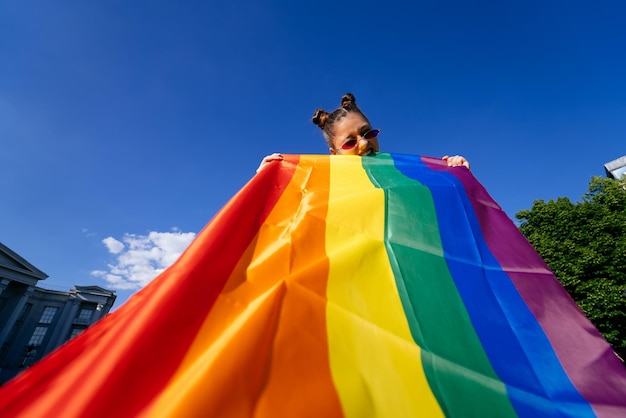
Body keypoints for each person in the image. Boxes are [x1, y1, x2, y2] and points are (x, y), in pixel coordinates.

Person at [257, 93, 470, 172]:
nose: (363, 143)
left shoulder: (402, 174)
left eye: (368, 133)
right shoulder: (324, 187)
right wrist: (268, 178)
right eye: (349, 143)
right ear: (334, 153)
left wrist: (451, 171)